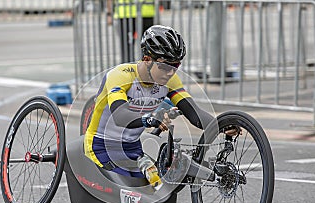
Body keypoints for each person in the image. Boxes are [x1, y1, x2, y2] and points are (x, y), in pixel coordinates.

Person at [84, 25, 216, 190]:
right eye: (165, 66)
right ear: (147, 60)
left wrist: (223, 125)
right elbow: (120, 116)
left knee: (156, 193)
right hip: (101, 147)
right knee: (131, 194)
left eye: (175, 66)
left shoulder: (170, 81)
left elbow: (194, 114)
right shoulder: (121, 75)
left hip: (133, 149)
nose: (170, 73)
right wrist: (149, 119)